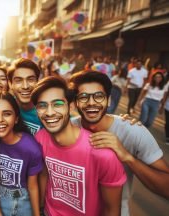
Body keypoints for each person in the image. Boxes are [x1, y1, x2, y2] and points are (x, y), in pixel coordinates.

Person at [69, 71, 169, 215]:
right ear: (75, 102)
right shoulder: (68, 129)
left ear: (109, 100)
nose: (91, 102)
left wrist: (128, 157)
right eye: (83, 97)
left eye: (98, 96)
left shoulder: (133, 131)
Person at [31, 76, 126, 216]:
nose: (49, 112)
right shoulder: (40, 138)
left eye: (57, 104)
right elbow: (44, 174)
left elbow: (112, 210)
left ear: (70, 106)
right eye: (42, 106)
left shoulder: (104, 155)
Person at [0, 93, 43, 216]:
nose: (0, 119)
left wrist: (37, 214)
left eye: (7, 114)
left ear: (16, 118)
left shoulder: (30, 147)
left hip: (24, 204)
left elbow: (33, 186)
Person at [7, 58, 43, 135]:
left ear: (38, 82)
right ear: (10, 84)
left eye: (30, 80)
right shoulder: (6, 107)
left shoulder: (47, 111)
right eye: (18, 81)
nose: (25, 86)